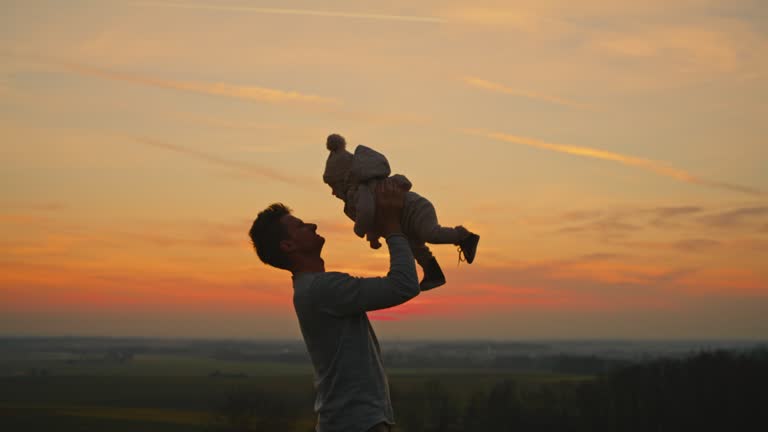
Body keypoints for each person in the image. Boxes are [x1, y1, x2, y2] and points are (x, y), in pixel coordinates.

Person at [248, 179, 419, 432]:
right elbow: (404, 284)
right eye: (300, 226)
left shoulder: (311, 290)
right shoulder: (322, 289)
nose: (312, 225)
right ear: (288, 245)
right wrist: (392, 226)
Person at [323, 133, 480, 291]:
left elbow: (367, 212)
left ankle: (464, 236)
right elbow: (374, 220)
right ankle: (433, 274)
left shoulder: (362, 191)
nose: (333, 192)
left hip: (415, 209)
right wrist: (372, 237)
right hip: (403, 224)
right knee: (415, 248)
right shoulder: (353, 201)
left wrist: (360, 230)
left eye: (333, 186)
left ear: (344, 180)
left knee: (430, 234)